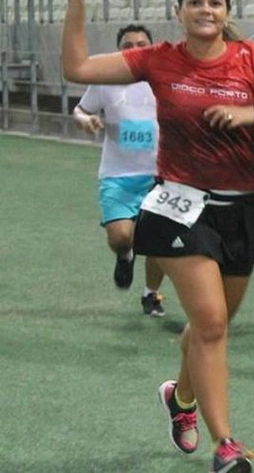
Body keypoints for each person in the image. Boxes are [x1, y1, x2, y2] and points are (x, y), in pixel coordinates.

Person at [61, 0, 254, 472]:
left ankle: (180, 399)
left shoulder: (250, 59)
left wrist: (253, 111)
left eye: (216, 3)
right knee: (213, 324)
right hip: (178, 207)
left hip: (241, 208)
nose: (206, 10)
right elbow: (76, 66)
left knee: (209, 329)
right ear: (179, 11)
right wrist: (78, 2)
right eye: (196, 2)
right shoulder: (158, 59)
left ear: (226, 11)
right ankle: (226, 446)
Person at [73, 24, 167, 316]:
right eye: (128, 44)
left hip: (160, 174)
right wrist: (84, 120)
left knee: (158, 241)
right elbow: (81, 109)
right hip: (117, 175)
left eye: (142, 43)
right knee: (120, 236)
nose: (135, 48)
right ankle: (125, 255)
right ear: (120, 51)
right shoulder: (105, 80)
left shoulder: (165, 79)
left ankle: (151, 294)